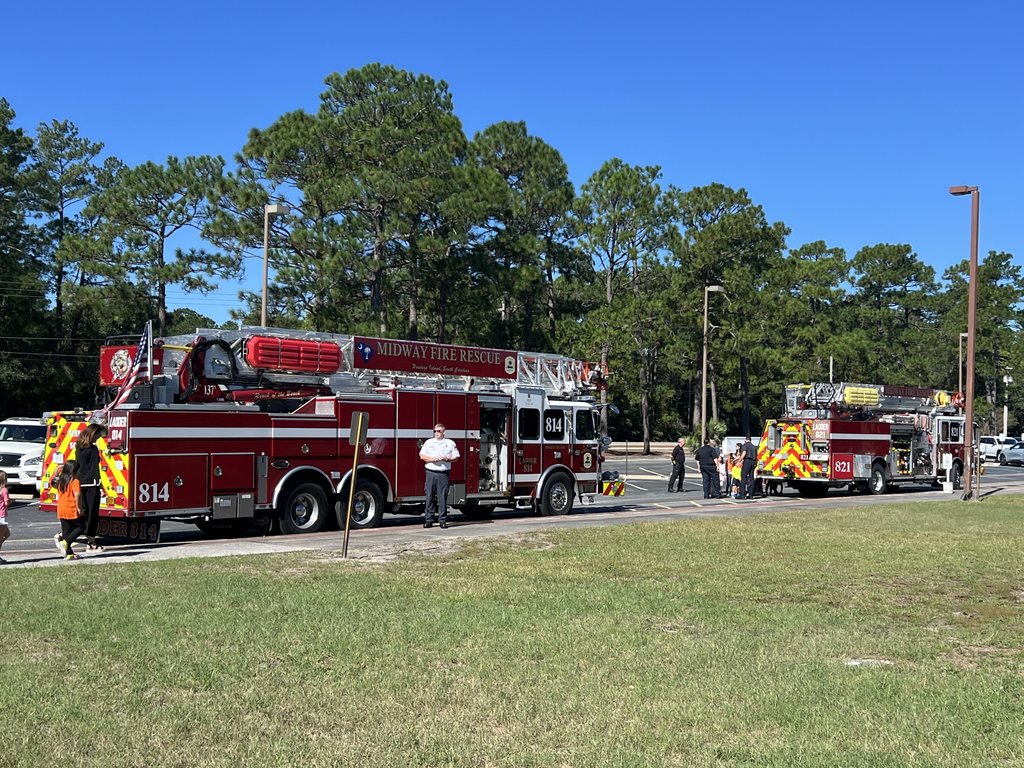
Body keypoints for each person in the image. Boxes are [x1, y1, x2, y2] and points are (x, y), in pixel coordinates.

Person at [419, 423, 460, 529]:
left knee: (442, 497)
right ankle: (429, 520)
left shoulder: (450, 443)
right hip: (431, 472)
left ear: (444, 432)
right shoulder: (429, 442)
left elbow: (456, 457)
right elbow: (422, 456)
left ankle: (442, 520)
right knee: (429, 496)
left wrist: (448, 459)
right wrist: (433, 459)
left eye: (439, 431)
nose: (436, 433)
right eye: (435, 431)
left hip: (443, 473)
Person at [76, 422, 107, 551]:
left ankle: (67, 534)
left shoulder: (78, 447)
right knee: (92, 514)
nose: (98, 438)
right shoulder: (93, 449)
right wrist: (100, 485)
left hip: (80, 482)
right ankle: (91, 541)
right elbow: (95, 469)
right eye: (98, 436)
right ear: (93, 434)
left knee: (82, 512)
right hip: (92, 484)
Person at [54, 460, 85, 560]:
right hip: (71, 507)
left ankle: (69, 554)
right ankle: (65, 542)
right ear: (74, 471)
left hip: (61, 508)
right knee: (81, 527)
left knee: (66, 530)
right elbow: (77, 494)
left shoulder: (61, 480)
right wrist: (79, 507)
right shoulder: (75, 481)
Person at [740, 434, 758, 500]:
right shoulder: (754, 447)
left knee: (743, 477)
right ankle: (751, 495)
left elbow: (744, 453)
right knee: (751, 478)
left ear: (745, 439)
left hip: (747, 461)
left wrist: (739, 460)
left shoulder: (745, 445)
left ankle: (742, 494)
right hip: (753, 462)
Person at [0, 471, 10, 564]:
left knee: (7, 534)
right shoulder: (4, 490)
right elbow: (6, 503)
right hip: (2, 516)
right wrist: (10, 501)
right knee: (2, 537)